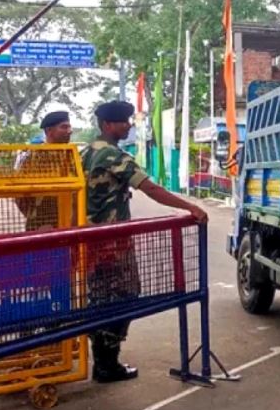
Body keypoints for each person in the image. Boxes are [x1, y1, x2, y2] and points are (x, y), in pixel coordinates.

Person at [82, 100, 208, 383]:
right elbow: (149, 188)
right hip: (112, 243)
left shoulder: (85, 152)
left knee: (100, 297)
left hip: (89, 240)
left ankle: (101, 362)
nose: (128, 126)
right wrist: (190, 207)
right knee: (125, 296)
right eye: (122, 121)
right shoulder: (113, 156)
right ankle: (107, 364)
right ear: (107, 125)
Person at [16, 111, 72, 231]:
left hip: (70, 223)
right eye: (64, 127)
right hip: (43, 224)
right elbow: (20, 193)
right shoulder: (35, 156)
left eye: (69, 126)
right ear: (48, 131)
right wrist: (34, 215)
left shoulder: (72, 155)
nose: (69, 130)